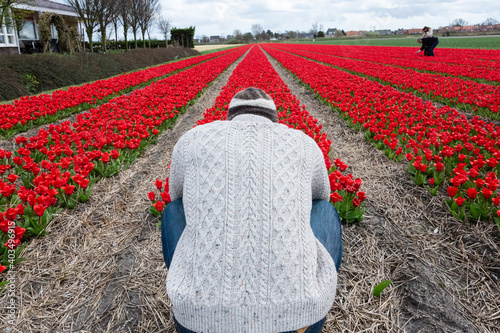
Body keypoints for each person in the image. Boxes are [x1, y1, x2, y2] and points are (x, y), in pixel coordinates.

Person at [161, 87, 343, 333]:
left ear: (230, 116)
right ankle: (304, 296)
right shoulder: (303, 143)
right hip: (297, 322)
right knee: (324, 209)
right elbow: (321, 196)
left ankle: (198, 298)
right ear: (274, 119)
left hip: (198, 324)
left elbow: (177, 195)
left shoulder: (192, 139)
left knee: (174, 210)